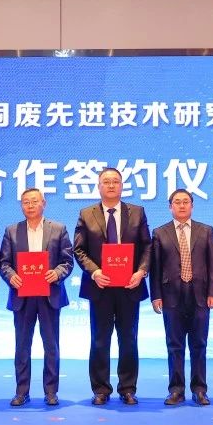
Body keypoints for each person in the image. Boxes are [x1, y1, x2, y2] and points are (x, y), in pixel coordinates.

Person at [73, 167, 151, 406]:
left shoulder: (137, 212)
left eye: (115, 181)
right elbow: (79, 249)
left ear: (122, 186)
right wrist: (95, 272)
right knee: (100, 340)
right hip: (100, 287)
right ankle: (100, 389)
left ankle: (128, 388)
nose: (110, 185)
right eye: (106, 182)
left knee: (129, 339)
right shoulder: (87, 214)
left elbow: (147, 246)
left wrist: (141, 272)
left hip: (129, 286)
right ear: (98, 186)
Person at [0, 188, 74, 406]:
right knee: (22, 346)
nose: (30, 206)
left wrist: (57, 273)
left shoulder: (58, 229)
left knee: (51, 346)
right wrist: (11, 276)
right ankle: (22, 391)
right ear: (21, 206)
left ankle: (51, 391)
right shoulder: (12, 231)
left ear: (44, 203)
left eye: (34, 201)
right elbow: (4, 263)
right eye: (26, 202)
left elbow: (67, 261)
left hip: (49, 294)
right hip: (22, 296)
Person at [151, 189, 213, 406]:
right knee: (174, 345)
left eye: (186, 202)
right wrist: (156, 295)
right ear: (170, 207)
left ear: (192, 206)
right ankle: (176, 390)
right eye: (177, 202)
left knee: (199, 344)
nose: (182, 205)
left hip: (200, 296)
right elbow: (155, 267)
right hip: (171, 297)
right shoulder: (159, 232)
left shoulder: (205, 230)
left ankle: (199, 390)